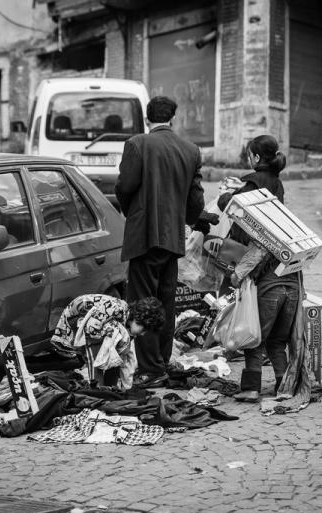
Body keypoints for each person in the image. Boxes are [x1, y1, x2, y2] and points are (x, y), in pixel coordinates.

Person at [115, 95, 205, 388]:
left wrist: (134, 213)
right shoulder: (190, 150)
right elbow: (195, 199)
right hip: (172, 238)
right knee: (165, 302)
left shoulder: (137, 144)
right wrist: (187, 221)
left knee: (142, 304)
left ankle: (151, 369)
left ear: (146, 119)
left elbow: (125, 187)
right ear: (173, 118)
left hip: (144, 237)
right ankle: (161, 362)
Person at [217, 135, 301, 403]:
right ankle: (283, 386)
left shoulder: (254, 183)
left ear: (254, 157)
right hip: (291, 279)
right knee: (277, 342)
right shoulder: (277, 184)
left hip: (267, 282)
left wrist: (224, 196)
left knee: (254, 337)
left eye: (249, 155)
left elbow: (233, 208)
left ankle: (251, 389)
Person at [50, 295, 165, 389]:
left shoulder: (125, 321)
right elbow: (93, 333)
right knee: (100, 348)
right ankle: (97, 389)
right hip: (77, 318)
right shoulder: (117, 311)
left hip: (93, 323)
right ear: (139, 320)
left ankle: (110, 388)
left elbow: (122, 357)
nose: (143, 334)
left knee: (116, 348)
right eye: (144, 329)